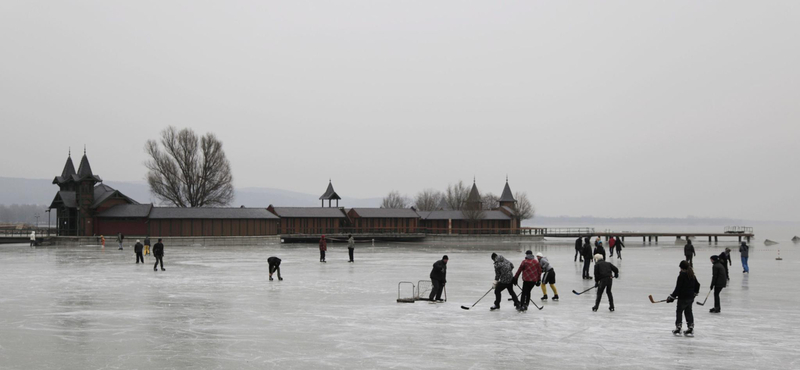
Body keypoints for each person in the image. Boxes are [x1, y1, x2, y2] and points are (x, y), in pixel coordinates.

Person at [666, 260, 700, 335]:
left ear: (681, 268)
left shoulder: (682, 276)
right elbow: (697, 285)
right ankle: (690, 326)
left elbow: (678, 288)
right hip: (690, 298)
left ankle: (678, 327)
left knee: (679, 311)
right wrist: (694, 293)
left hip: (683, 298)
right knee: (688, 311)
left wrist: (671, 297)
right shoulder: (692, 275)